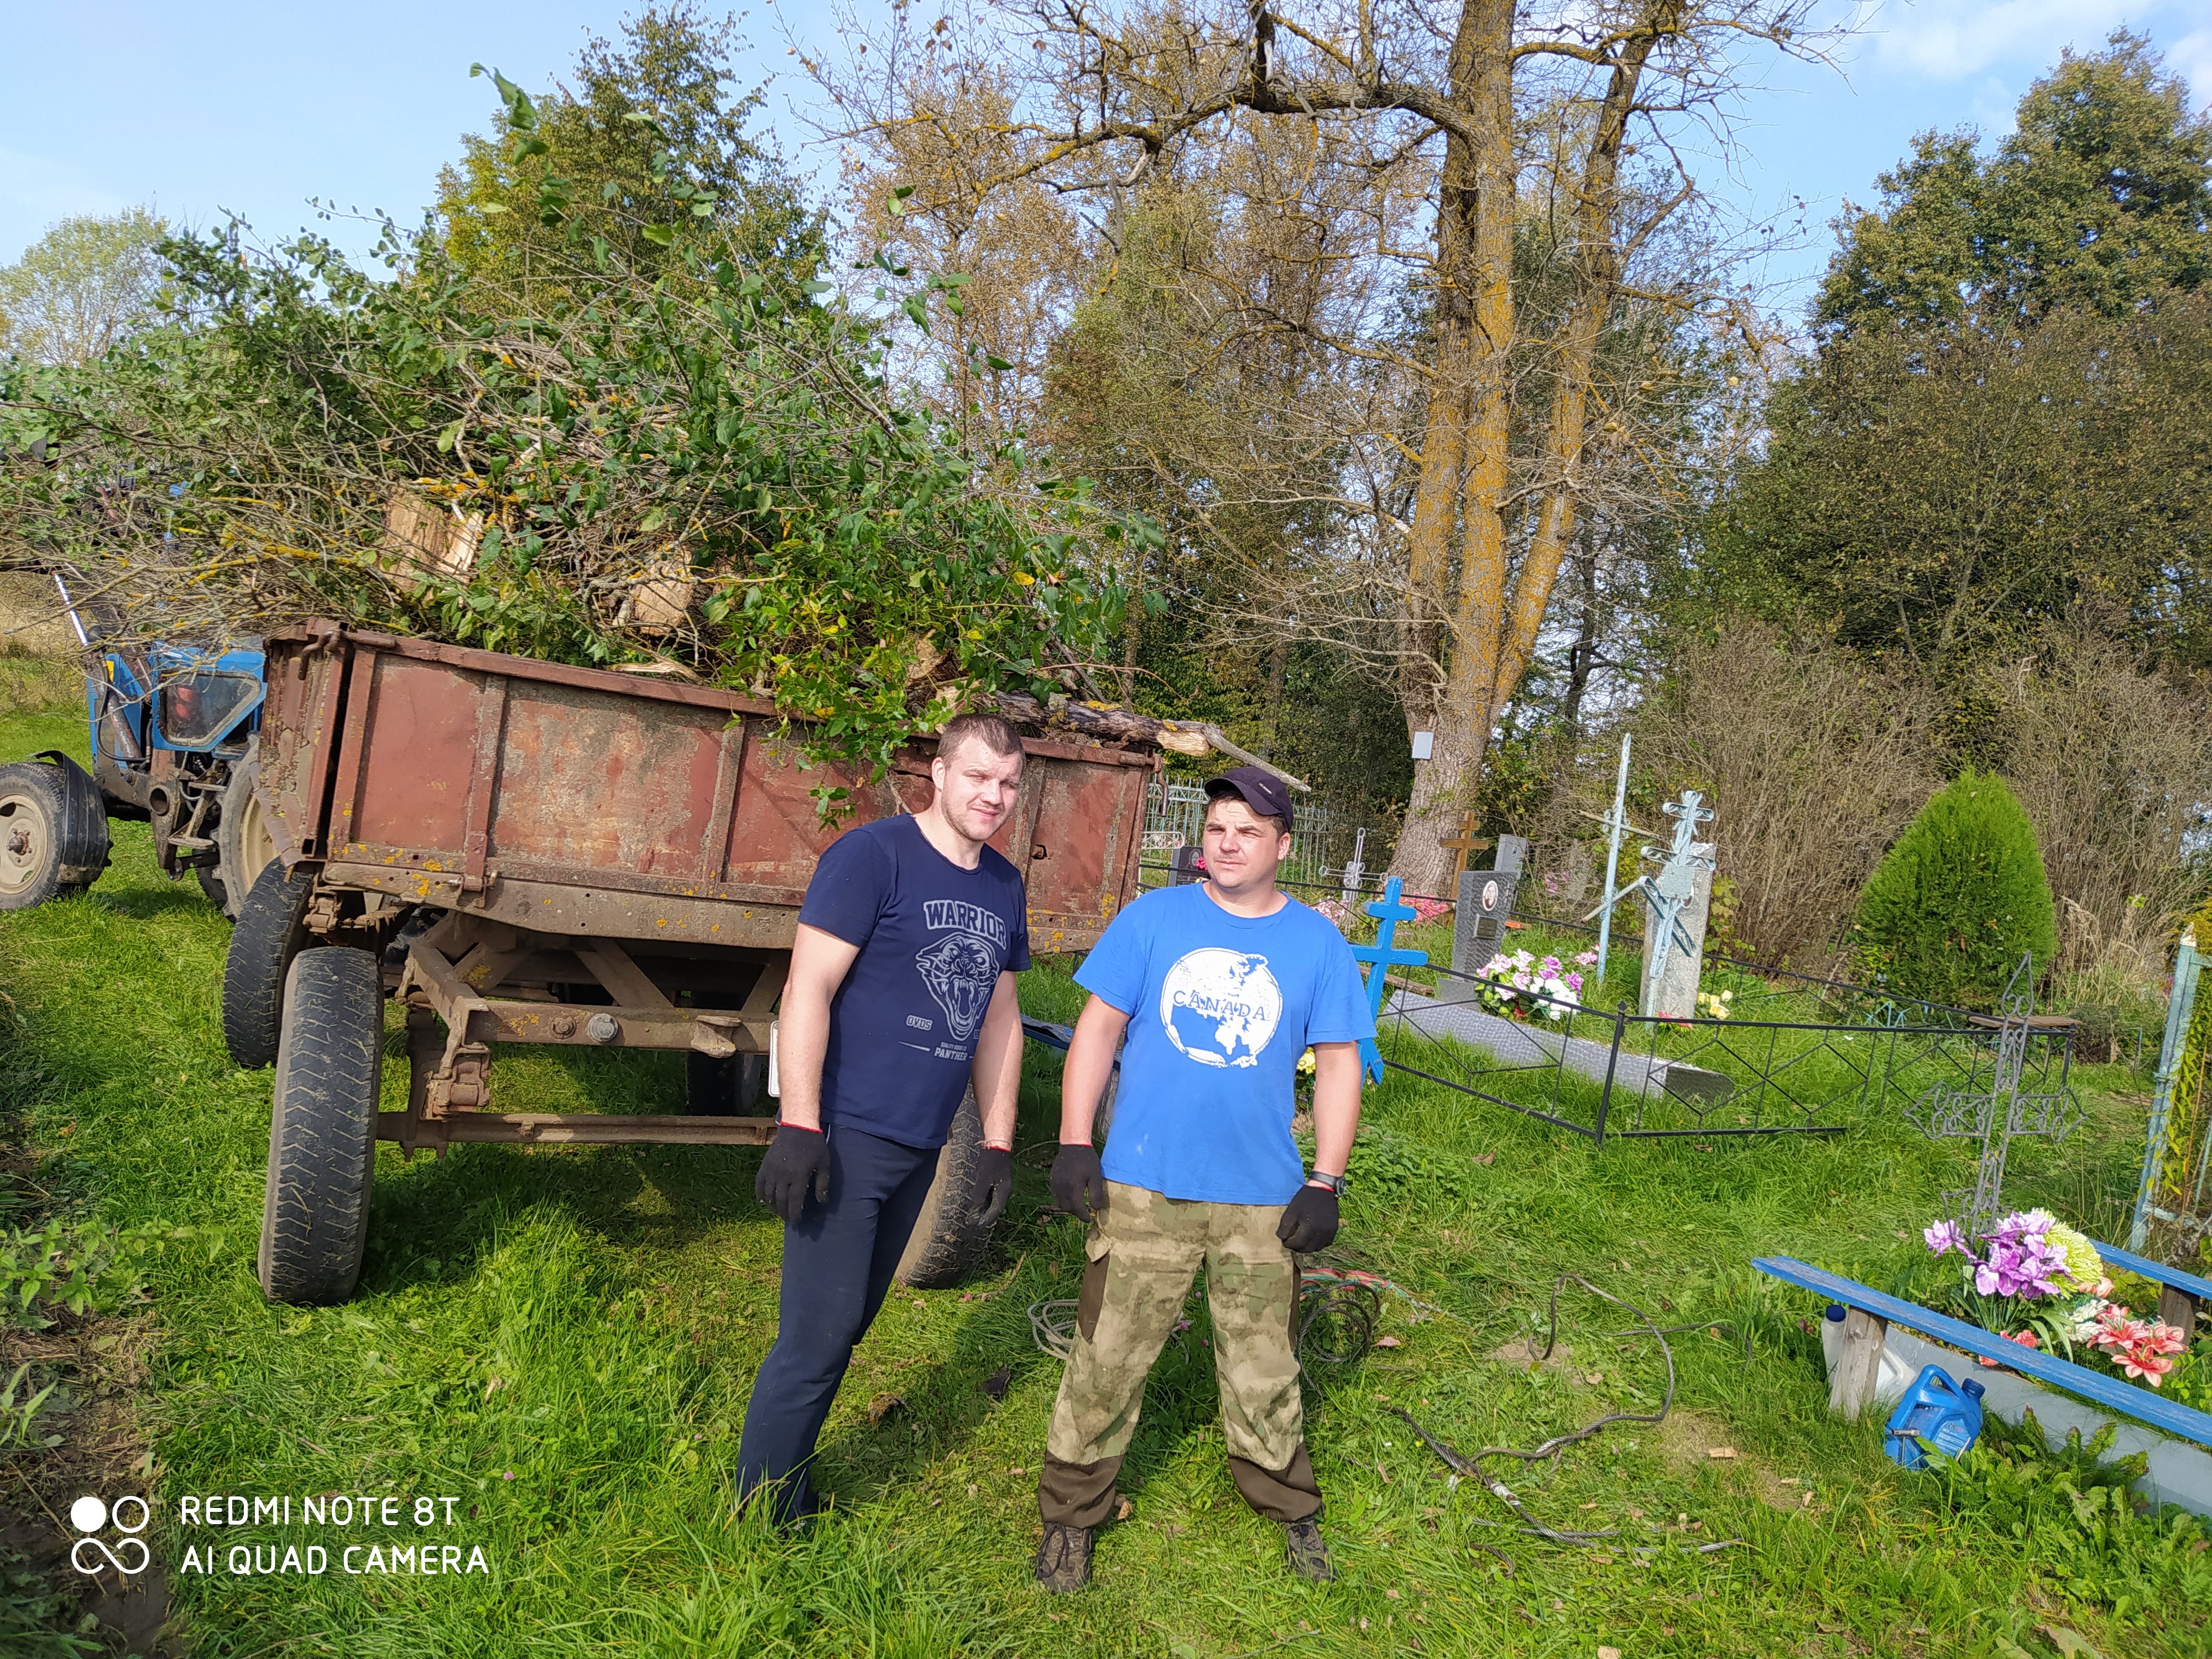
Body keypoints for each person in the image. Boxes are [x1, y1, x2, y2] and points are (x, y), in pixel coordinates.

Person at [1032, 766, 1373, 1592]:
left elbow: (1337, 1067)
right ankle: (1071, 1520)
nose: (1227, 843)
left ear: (1283, 847)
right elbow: (1096, 1032)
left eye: (1248, 832)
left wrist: (1325, 1182)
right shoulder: (1152, 920)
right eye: (1218, 828)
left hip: (1262, 1199)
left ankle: (1289, 1507)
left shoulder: (1317, 945)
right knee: (1106, 1358)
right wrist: (1076, 1141)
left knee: (1264, 1365)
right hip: (1143, 1187)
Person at [734, 712, 1031, 1526]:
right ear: (938, 774)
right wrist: (800, 1126)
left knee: (851, 1326)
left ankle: (783, 1479)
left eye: (1008, 783)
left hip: (925, 1142)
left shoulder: (1003, 886)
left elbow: (1000, 1019)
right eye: (977, 777)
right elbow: (808, 991)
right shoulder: (872, 857)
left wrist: (998, 1144)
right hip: (849, 1134)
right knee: (817, 1337)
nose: (993, 796)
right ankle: (762, 1511)